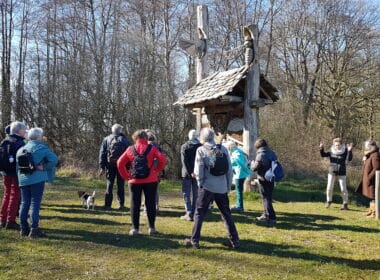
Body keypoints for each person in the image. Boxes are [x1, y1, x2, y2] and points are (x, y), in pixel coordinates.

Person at [184, 128, 240, 249]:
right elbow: (229, 170)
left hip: (207, 187)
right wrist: (228, 185)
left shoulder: (201, 150)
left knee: (199, 213)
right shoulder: (223, 149)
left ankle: (195, 240)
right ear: (213, 136)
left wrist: (200, 184)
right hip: (221, 187)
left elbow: (198, 171)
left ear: (202, 138)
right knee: (226, 214)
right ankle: (234, 240)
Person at [117, 129, 166, 236]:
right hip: (151, 180)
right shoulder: (152, 148)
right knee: (150, 203)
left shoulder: (130, 149)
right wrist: (156, 170)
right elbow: (162, 159)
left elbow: (119, 162)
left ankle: (135, 229)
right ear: (146, 138)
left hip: (134, 180)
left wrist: (126, 176)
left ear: (134, 138)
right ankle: (152, 228)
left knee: (135, 203)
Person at [16, 127, 58, 238]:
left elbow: (17, 167)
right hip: (37, 179)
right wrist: (44, 167)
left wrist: (20, 179)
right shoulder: (41, 147)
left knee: (24, 203)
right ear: (39, 137)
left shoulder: (21, 149)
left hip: (23, 179)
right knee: (35, 204)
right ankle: (34, 230)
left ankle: (23, 228)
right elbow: (54, 159)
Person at [0, 122, 27, 230]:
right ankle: (10, 221)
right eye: (24, 130)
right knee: (15, 195)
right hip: (15, 172)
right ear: (19, 131)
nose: (25, 131)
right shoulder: (20, 143)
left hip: (5, 172)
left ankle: (2, 219)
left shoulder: (4, 140)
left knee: (7, 194)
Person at [99, 124, 130, 210]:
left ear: (112, 130)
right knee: (121, 185)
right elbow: (129, 155)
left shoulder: (106, 139)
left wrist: (102, 166)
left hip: (110, 165)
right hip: (121, 166)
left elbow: (102, 153)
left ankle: (107, 205)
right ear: (120, 131)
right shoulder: (125, 140)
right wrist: (128, 167)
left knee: (109, 184)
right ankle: (121, 205)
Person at [320, 138, 353, 210]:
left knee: (343, 189)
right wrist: (321, 148)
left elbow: (350, 159)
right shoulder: (331, 150)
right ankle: (329, 201)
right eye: (335, 145)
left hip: (342, 171)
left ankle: (345, 204)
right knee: (329, 187)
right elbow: (323, 155)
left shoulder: (345, 150)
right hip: (332, 171)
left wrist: (350, 151)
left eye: (338, 145)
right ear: (333, 144)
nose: (337, 146)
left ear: (341, 144)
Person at [251, 138, 278, 225]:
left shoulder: (260, 154)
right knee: (268, 197)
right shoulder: (272, 152)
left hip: (263, 178)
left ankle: (271, 217)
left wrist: (251, 164)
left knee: (265, 198)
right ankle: (266, 214)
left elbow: (255, 168)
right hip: (272, 178)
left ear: (258, 146)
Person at [180, 129, 201, 221]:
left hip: (187, 174)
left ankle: (189, 212)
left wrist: (190, 172)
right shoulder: (200, 146)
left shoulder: (184, 146)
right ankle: (194, 212)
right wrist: (195, 172)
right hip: (197, 173)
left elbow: (184, 161)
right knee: (196, 194)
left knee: (186, 193)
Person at [225, 140, 252, 213]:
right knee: (238, 190)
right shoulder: (238, 151)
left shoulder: (236, 153)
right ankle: (238, 205)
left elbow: (241, 163)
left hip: (239, 174)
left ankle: (240, 207)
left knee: (239, 191)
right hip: (240, 173)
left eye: (227, 147)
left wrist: (247, 170)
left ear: (230, 147)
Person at [356, 140, 380, 218]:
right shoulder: (370, 154)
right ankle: (371, 210)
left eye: (367, 146)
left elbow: (377, 168)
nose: (366, 148)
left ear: (371, 146)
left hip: (373, 180)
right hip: (368, 179)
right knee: (370, 195)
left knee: (373, 195)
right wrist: (365, 160)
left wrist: (369, 177)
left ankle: (374, 212)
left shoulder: (375, 155)